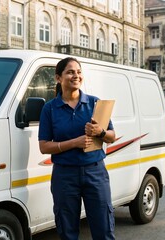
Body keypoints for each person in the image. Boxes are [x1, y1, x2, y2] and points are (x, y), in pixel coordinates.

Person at [38, 57, 116, 240]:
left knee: (104, 228)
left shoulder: (94, 103)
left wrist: (100, 131)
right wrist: (75, 142)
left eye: (79, 72)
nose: (76, 76)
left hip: (95, 172)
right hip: (65, 176)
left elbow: (112, 137)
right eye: (70, 72)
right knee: (67, 231)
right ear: (58, 77)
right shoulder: (50, 109)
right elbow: (43, 146)